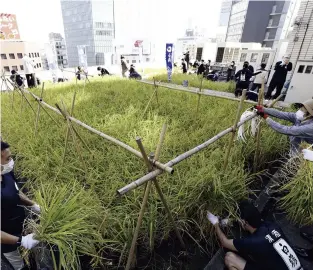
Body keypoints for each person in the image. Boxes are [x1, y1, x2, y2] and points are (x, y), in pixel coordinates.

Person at [207, 200, 302, 270]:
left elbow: (225, 242)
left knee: (229, 258)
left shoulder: (254, 242)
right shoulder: (272, 226)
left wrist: (216, 224)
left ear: (245, 222)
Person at [1, 141, 40, 269]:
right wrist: (21, 241)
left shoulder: (5, 173)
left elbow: (16, 192)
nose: (11, 161)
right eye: (8, 158)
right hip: (7, 242)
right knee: (20, 266)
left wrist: (34, 205)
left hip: (21, 226)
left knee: (31, 257)